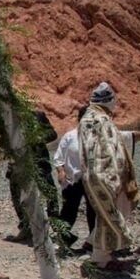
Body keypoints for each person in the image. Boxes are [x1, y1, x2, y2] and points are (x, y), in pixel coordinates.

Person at [78, 82, 140, 269]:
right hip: (106, 175)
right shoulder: (102, 120)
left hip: (90, 175)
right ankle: (101, 257)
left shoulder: (86, 119)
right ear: (109, 101)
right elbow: (110, 149)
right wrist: (118, 174)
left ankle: (96, 247)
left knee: (104, 213)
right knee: (112, 213)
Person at [4, 110, 58, 244]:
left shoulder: (37, 116)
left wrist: (37, 138)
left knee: (50, 194)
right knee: (18, 197)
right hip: (18, 165)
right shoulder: (8, 120)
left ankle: (56, 227)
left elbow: (52, 134)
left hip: (40, 164)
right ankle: (25, 227)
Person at [54, 106, 96, 252]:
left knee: (94, 211)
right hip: (73, 180)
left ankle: (93, 242)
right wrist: (60, 171)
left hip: (92, 180)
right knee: (68, 210)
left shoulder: (98, 137)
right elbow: (58, 157)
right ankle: (63, 240)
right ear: (79, 120)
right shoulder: (70, 136)